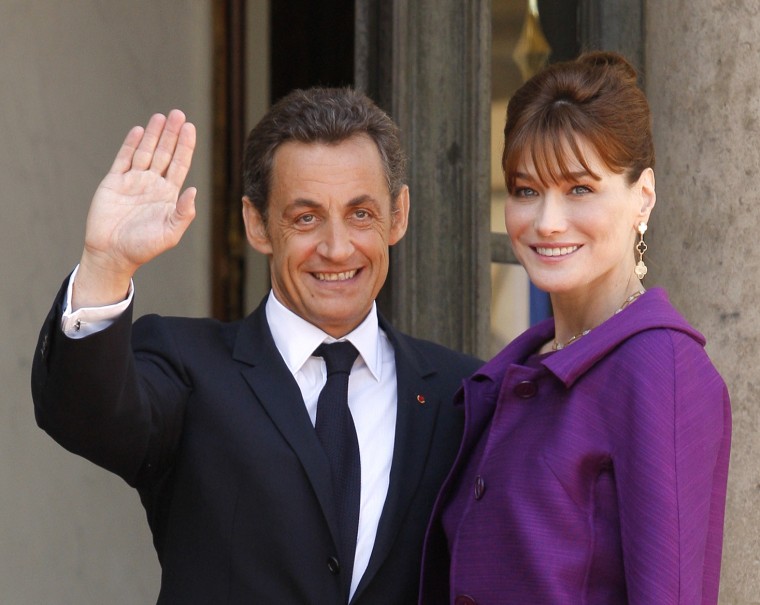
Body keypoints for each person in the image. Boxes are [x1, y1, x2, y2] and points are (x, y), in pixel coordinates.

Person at [31, 87, 482, 604]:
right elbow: (83, 415)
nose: (337, 248)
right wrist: (107, 266)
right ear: (257, 223)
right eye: (306, 218)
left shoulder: (463, 394)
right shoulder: (187, 365)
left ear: (398, 215)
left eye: (361, 214)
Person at [419, 52, 731, 604]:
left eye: (579, 189)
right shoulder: (510, 378)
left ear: (644, 195)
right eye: (525, 190)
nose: (547, 222)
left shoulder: (660, 369)